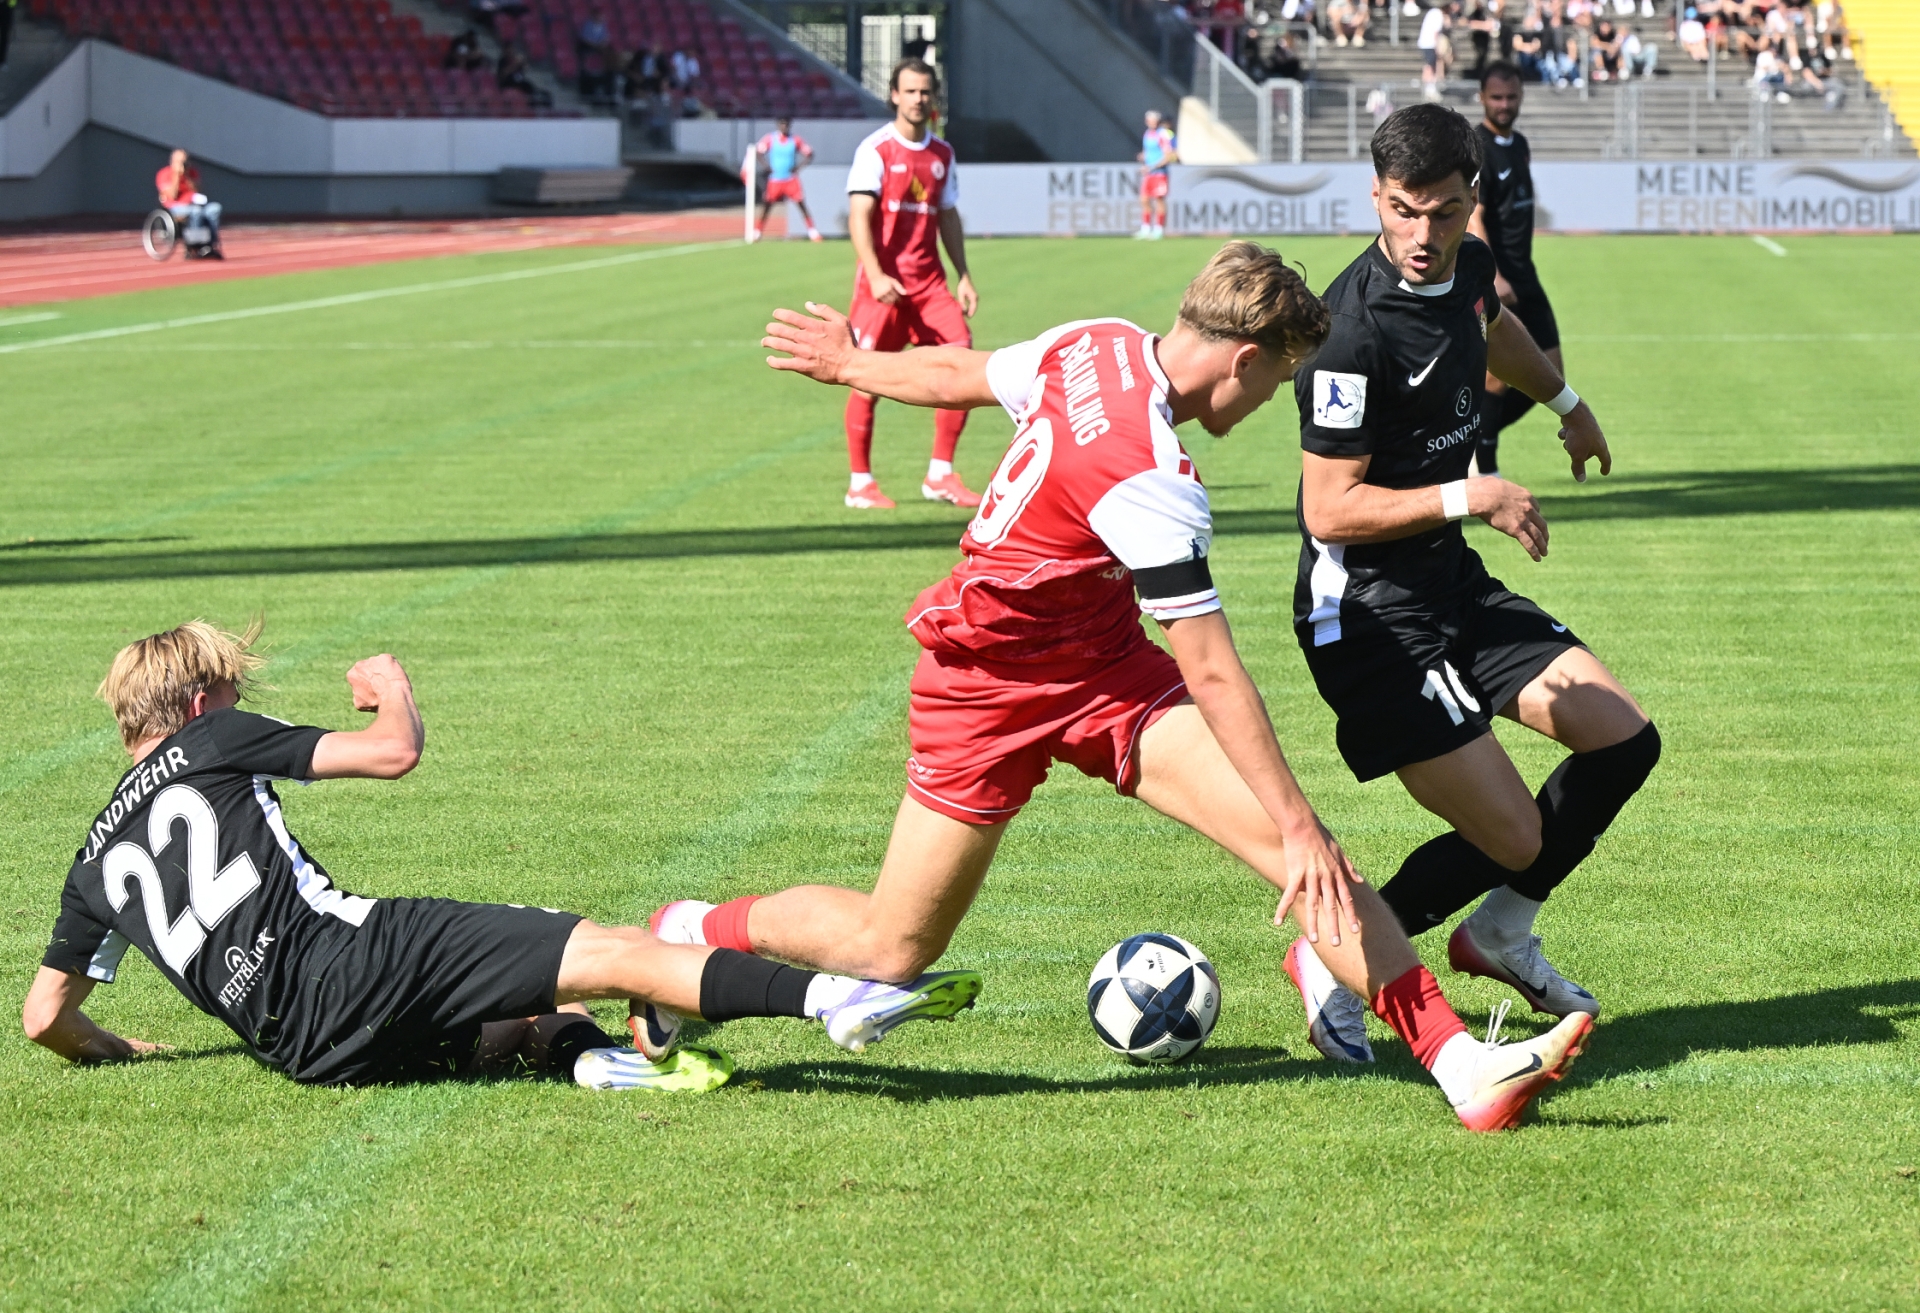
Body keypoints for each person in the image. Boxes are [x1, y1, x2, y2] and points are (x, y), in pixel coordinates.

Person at [651, 242, 1598, 1134]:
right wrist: (1299, 817)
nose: (1270, 401)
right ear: (1243, 360)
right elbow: (1213, 670)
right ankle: (689, 931)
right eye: (1276, 381)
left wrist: (851, 365)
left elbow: (964, 372)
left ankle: (1462, 1066)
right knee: (890, 947)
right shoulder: (1152, 478)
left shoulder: (1092, 343)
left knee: (1303, 859)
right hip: (983, 683)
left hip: (1102, 666)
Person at [22, 622, 979, 1091]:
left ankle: (602, 1063)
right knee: (607, 946)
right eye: (233, 693)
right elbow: (393, 752)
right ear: (199, 705)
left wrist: (127, 1047)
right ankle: (832, 999)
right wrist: (390, 685)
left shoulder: (92, 864)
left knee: (520, 1009)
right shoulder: (213, 739)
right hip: (352, 956)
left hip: (305, 1050)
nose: (239, 706)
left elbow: (43, 1020)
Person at [1280, 104, 1660, 1062]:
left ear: (1470, 201)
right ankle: (1334, 955)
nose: (1422, 235)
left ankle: (1499, 933)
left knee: (1624, 739)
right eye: (1402, 210)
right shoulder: (1347, 334)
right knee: (1515, 835)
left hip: (1448, 582)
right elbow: (1329, 508)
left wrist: (1566, 403)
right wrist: (1470, 493)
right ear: (1376, 196)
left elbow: (1492, 325)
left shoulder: (1471, 266)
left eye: (1444, 212)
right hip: (1367, 619)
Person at [839, 59, 981, 512]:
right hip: (881, 287)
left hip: (929, 286)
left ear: (932, 97)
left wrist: (963, 275)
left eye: (925, 91)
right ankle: (860, 483)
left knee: (963, 366)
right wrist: (875, 273)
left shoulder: (942, 153)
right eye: (910, 91)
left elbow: (947, 216)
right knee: (865, 379)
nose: (919, 99)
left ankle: (940, 475)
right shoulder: (875, 150)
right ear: (895, 96)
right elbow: (859, 216)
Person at [1469, 63, 1561, 479]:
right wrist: (1493, 276)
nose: (1504, 105)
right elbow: (1476, 216)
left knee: (1551, 377)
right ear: (1482, 98)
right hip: (1501, 277)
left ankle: (1466, 439)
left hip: (1527, 276)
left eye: (1511, 97)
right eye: (1496, 98)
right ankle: (1485, 470)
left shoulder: (1520, 143)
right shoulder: (1477, 148)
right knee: (1496, 379)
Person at [750, 116, 823, 245]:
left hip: (790, 179)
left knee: (801, 204)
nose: (784, 126)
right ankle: (757, 232)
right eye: (782, 124)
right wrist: (766, 167)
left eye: (786, 124)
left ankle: (813, 232)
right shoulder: (770, 139)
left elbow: (809, 153)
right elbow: (758, 152)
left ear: (789, 125)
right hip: (775, 179)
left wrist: (798, 167)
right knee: (767, 205)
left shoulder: (795, 140)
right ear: (778, 125)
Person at [154, 149, 222, 260]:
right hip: (175, 206)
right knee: (196, 211)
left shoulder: (192, 172)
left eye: (185, 161)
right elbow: (172, 195)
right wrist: (176, 175)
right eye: (180, 162)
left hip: (193, 204)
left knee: (214, 209)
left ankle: (211, 244)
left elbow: (197, 191)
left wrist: (186, 176)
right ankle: (195, 245)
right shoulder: (164, 174)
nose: (183, 164)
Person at [1136, 109, 1179, 241]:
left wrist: (1152, 167)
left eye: (1155, 120)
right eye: (1150, 120)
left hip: (1159, 172)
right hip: (1149, 173)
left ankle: (1159, 229)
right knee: (1144, 199)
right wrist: (1143, 157)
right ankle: (1145, 228)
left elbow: (1168, 156)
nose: (1152, 123)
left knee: (1159, 199)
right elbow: (1147, 151)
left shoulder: (1163, 134)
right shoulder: (1147, 134)